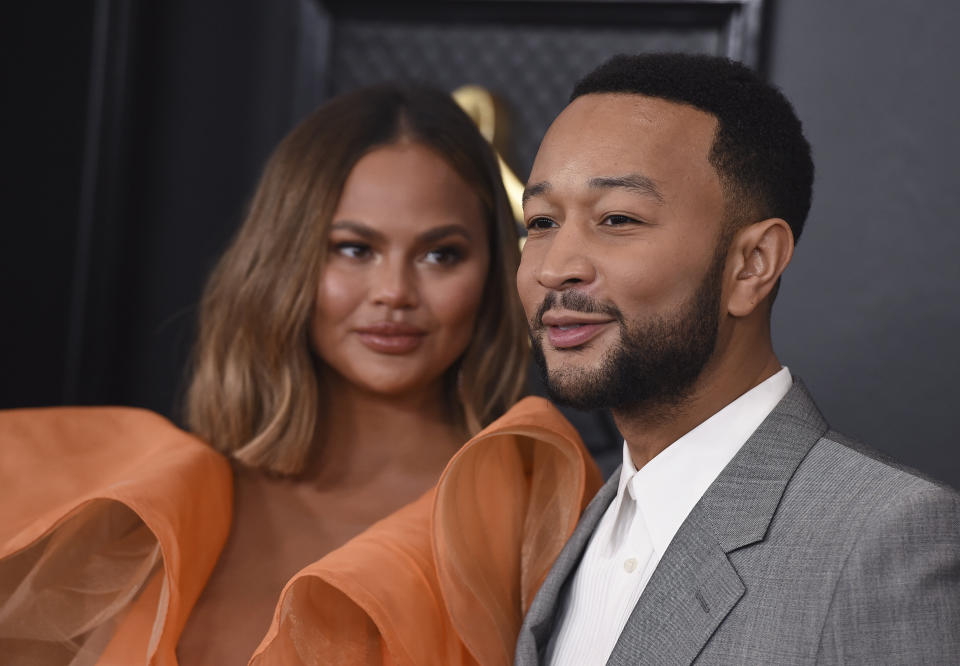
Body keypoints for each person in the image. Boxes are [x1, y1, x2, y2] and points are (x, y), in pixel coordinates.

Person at [0, 84, 602, 665]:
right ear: (286, 257)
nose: (394, 292)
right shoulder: (146, 500)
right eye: (353, 248)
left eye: (440, 254)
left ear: (496, 269)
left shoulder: (533, 512)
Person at [514, 53, 960, 665]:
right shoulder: (572, 523)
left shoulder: (882, 536)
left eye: (617, 218)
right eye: (540, 222)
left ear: (752, 264)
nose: (552, 267)